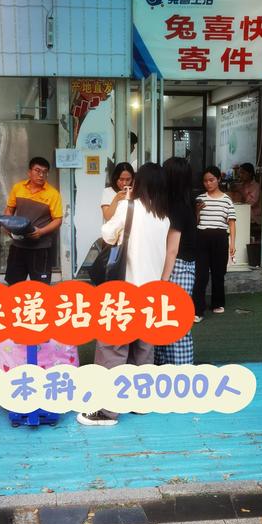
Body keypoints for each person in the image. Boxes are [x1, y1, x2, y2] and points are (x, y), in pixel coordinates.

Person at [77, 162, 170, 426]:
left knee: (112, 350)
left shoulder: (130, 207)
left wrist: (122, 203)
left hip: (124, 292)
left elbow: (107, 234)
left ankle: (106, 411)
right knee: (143, 351)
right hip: (150, 295)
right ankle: (140, 402)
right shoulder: (164, 217)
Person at [154, 157, 197, 365]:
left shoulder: (176, 208)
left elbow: (172, 249)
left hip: (176, 269)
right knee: (170, 321)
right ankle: (172, 367)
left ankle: (180, 370)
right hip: (183, 267)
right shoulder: (184, 204)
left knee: (174, 322)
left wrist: (162, 280)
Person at [4, 157, 62, 285]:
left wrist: (41, 232)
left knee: (41, 286)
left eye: (45, 172)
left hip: (40, 247)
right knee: (14, 284)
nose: (41, 175)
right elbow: (9, 209)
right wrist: (8, 225)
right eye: (37, 170)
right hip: (18, 245)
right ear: (29, 172)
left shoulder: (53, 194)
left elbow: (58, 220)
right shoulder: (18, 188)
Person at [192, 165, 236, 323]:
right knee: (201, 274)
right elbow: (195, 222)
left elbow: (231, 223)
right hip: (202, 237)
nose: (208, 183)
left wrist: (232, 243)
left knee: (219, 272)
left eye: (211, 180)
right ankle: (198, 309)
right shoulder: (200, 199)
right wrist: (197, 211)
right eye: (205, 181)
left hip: (220, 237)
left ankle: (218, 303)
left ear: (219, 179)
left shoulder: (226, 199)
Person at [234, 162, 261, 236]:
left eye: (243, 173)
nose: (240, 175)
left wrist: (241, 192)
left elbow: (251, 203)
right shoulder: (241, 185)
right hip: (243, 216)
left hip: (253, 219)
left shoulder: (256, 186)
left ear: (250, 174)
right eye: (240, 173)